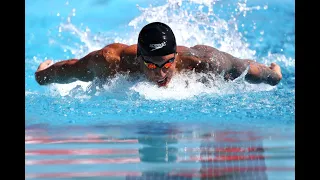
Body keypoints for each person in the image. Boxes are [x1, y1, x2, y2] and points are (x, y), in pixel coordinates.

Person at [35, 22, 282, 87]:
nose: (161, 74)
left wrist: (274, 75)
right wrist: (43, 74)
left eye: (167, 64)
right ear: (139, 59)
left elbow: (245, 68)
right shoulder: (111, 61)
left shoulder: (203, 62)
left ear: (175, 56)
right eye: (152, 66)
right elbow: (71, 69)